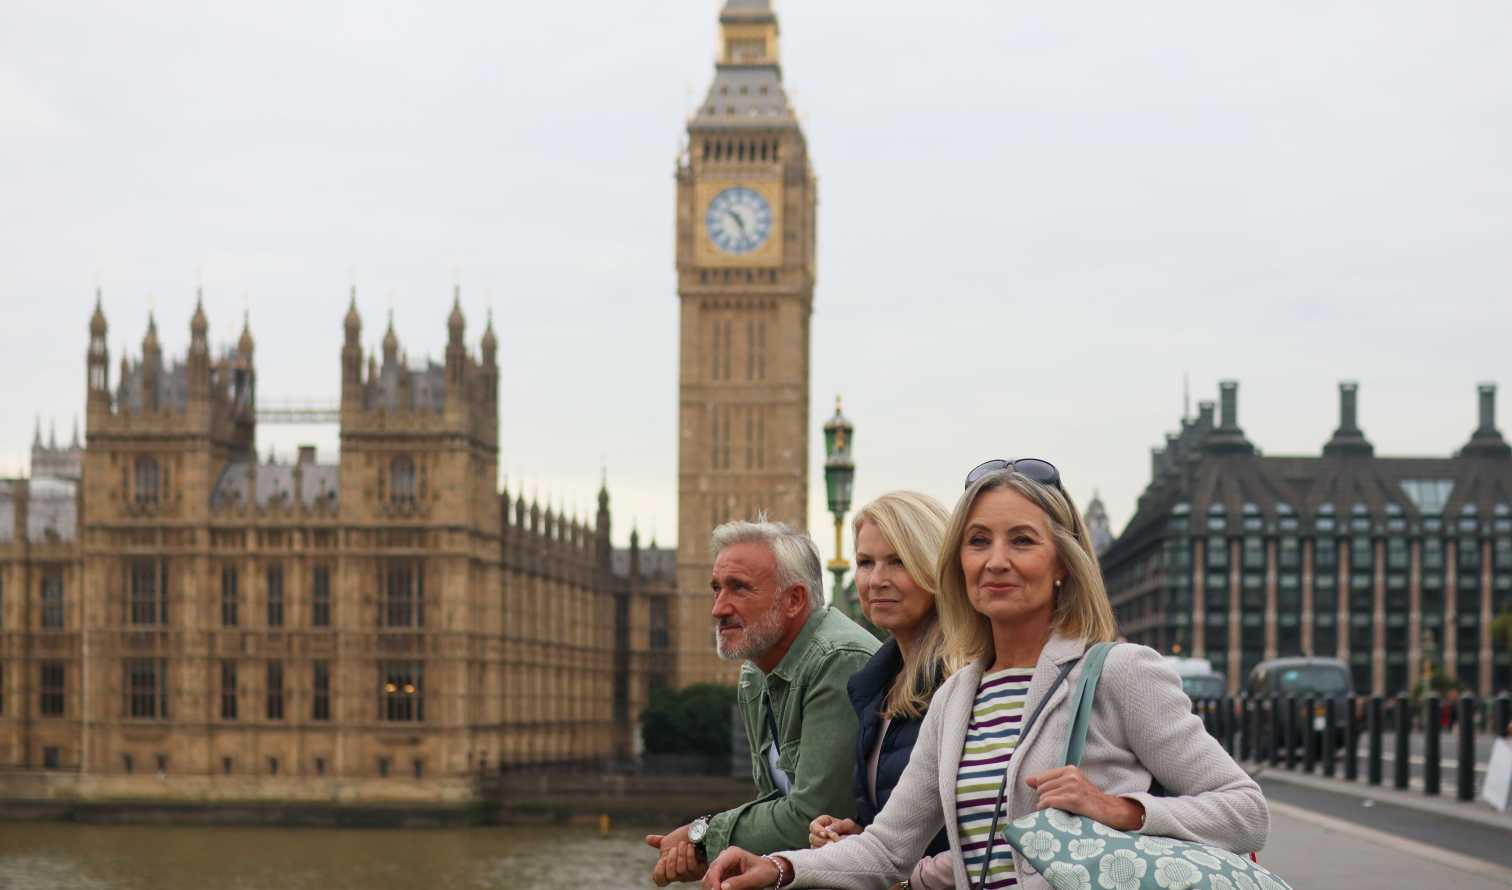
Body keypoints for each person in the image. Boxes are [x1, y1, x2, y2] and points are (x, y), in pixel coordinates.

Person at [703, 460, 1269, 890]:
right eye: (978, 542)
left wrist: (1119, 809)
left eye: (1021, 541)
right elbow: (887, 850)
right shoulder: (956, 699)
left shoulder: (1119, 672)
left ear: (1062, 567)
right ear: (959, 565)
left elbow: (1245, 812)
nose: (995, 560)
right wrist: (778, 867)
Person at [647, 517, 880, 886]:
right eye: (716, 589)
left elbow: (812, 816)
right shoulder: (756, 674)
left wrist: (704, 838)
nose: (718, 609)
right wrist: (713, 852)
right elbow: (773, 802)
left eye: (739, 588)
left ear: (794, 600)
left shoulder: (838, 660)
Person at [806, 491, 957, 890]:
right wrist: (855, 833)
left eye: (898, 562)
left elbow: (991, 836)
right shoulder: (877, 685)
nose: (877, 580)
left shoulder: (963, 680)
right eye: (865, 563)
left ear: (936, 568)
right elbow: (893, 830)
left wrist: (909, 879)